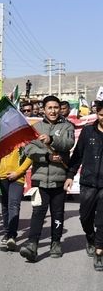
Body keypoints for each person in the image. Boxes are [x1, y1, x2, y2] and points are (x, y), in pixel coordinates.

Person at [19, 95, 75, 262]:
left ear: (60, 109)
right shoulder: (36, 127)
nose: (53, 111)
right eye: (49, 108)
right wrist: (46, 157)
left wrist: (52, 140)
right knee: (38, 213)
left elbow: (68, 143)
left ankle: (56, 243)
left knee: (58, 213)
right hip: (40, 179)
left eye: (56, 108)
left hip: (59, 179)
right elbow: (29, 150)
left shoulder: (67, 126)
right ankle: (32, 245)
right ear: (43, 109)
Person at [66, 100, 103, 271]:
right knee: (85, 217)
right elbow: (77, 155)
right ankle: (90, 237)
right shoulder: (88, 131)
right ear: (98, 114)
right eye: (102, 114)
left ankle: (99, 251)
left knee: (102, 220)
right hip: (88, 182)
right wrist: (70, 175)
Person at [0, 147, 32, 251]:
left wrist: (18, 172)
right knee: (5, 205)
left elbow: (30, 157)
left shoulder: (23, 138)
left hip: (18, 177)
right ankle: (7, 232)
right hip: (1, 176)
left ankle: (11, 236)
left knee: (13, 204)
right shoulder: (1, 137)